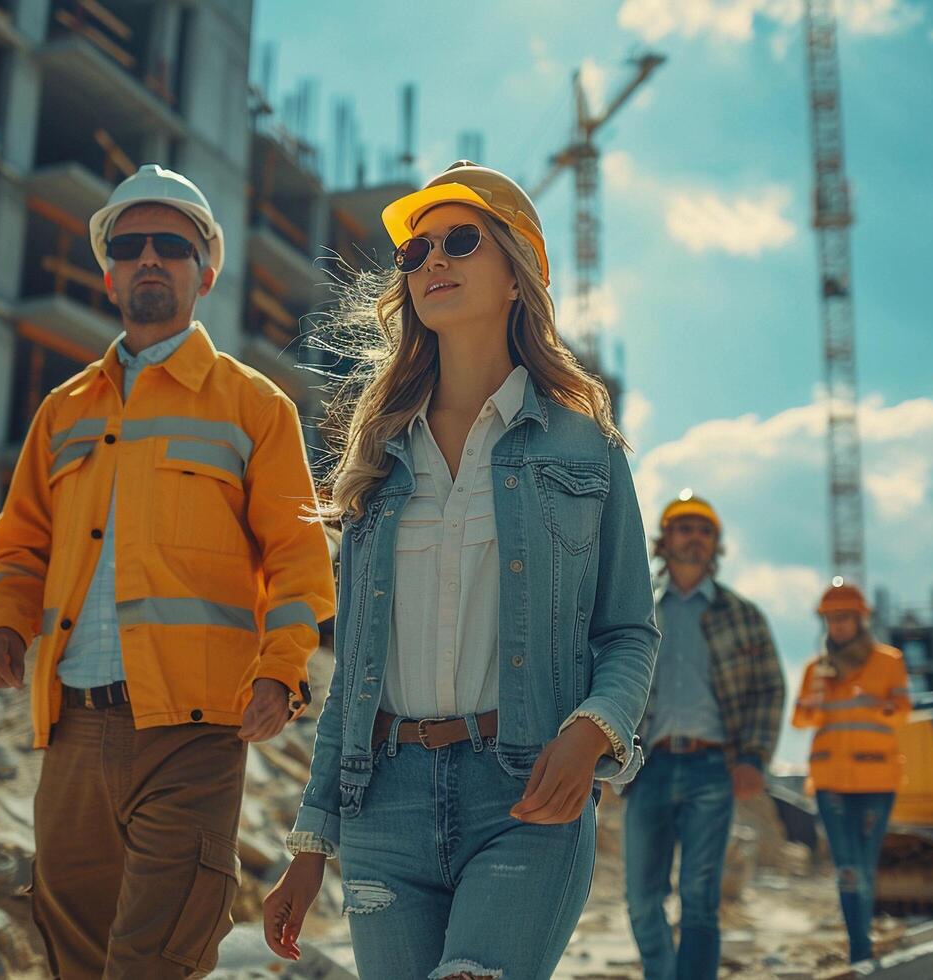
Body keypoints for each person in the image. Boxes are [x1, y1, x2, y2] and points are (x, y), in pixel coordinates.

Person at [261, 161, 659, 980]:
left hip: (521, 796)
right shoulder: (377, 460)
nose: (430, 260)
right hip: (383, 808)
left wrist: (592, 732)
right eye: (415, 252)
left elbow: (626, 631)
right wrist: (310, 841)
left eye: (460, 240)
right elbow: (355, 676)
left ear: (517, 273)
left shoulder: (585, 448)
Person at [0, 164, 336, 978]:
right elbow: (20, 545)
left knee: (153, 961)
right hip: (71, 733)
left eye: (172, 244)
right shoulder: (62, 412)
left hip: (194, 732)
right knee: (78, 958)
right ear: (107, 273)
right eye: (130, 247)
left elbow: (299, 559)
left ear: (207, 270)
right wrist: (0, 623)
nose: (149, 260)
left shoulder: (254, 406)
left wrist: (282, 671)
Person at [625, 490, 785, 980]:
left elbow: (768, 689)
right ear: (664, 539)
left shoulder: (742, 616)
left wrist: (754, 757)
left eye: (704, 530)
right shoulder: (636, 610)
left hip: (711, 770)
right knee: (641, 897)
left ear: (715, 544)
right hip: (646, 769)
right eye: (683, 527)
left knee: (699, 897)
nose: (693, 538)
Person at [791, 582, 911, 963]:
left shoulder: (888, 661)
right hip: (830, 783)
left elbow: (903, 712)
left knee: (863, 864)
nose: (838, 626)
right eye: (831, 619)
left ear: (860, 619)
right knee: (846, 867)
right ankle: (860, 949)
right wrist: (817, 699)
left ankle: (863, 944)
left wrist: (872, 703)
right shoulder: (817, 669)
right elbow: (799, 719)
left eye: (844, 617)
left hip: (877, 781)